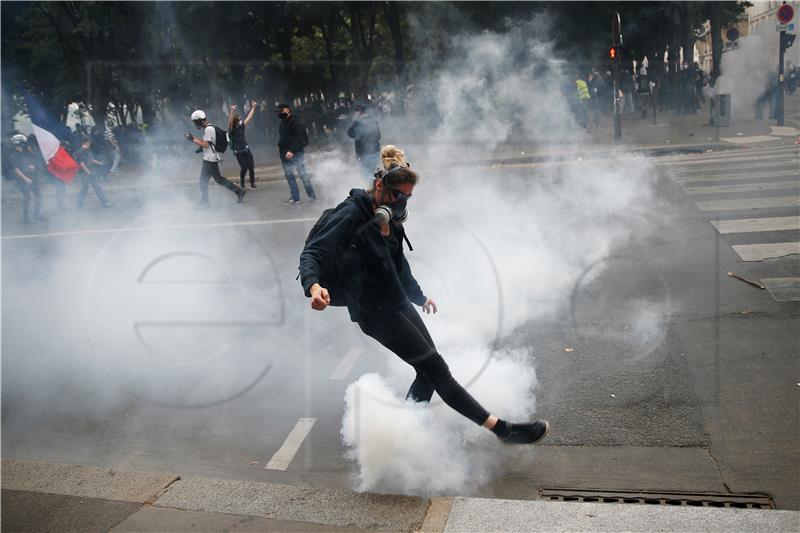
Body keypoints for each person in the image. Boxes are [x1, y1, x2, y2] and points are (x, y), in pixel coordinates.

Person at [298, 145, 550, 445]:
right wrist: (314, 287)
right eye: (397, 195)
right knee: (436, 369)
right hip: (375, 312)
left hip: (397, 303)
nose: (402, 202)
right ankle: (503, 430)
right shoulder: (353, 213)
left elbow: (397, 264)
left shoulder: (386, 218)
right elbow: (313, 253)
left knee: (427, 373)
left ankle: (405, 435)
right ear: (379, 186)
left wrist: (418, 297)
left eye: (407, 197)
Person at [186, 109, 246, 208]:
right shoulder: (209, 128)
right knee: (219, 180)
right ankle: (239, 191)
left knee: (203, 181)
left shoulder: (208, 129)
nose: (196, 124)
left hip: (209, 159)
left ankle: (205, 203)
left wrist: (193, 139)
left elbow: (206, 144)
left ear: (200, 120)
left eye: (196, 122)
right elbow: (209, 143)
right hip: (211, 158)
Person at [277, 103, 317, 205]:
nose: (280, 113)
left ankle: (312, 196)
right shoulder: (283, 122)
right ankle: (295, 198)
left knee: (302, 174)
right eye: (279, 111)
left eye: (282, 111)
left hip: (295, 153)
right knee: (289, 175)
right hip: (284, 153)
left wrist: (291, 150)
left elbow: (299, 137)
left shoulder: (295, 121)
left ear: (288, 110)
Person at [7, 133, 45, 223]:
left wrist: (30, 167)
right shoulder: (14, 155)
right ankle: (26, 219)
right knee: (27, 198)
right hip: (23, 180)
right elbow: (16, 169)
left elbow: (23, 164)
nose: (24, 145)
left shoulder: (22, 153)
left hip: (30, 178)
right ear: (19, 143)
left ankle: (37, 215)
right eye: (23, 143)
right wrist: (25, 179)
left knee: (39, 195)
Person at [75, 136, 112, 210]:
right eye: (90, 142)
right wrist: (88, 173)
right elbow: (82, 164)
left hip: (91, 171)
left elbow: (91, 159)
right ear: (87, 142)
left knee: (97, 187)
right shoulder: (80, 152)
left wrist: (100, 163)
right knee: (84, 189)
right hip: (85, 173)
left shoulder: (88, 150)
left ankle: (105, 203)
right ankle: (80, 205)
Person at [347, 104, 381, 180]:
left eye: (355, 113)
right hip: (376, 152)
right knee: (373, 174)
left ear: (359, 113)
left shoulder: (358, 123)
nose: (354, 115)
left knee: (367, 177)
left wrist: (356, 121)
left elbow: (349, 133)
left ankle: (374, 190)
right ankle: (377, 189)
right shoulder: (373, 120)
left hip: (364, 154)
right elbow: (378, 136)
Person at [228, 101, 258, 190]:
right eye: (239, 119)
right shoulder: (232, 129)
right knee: (244, 168)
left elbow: (249, 117)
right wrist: (232, 111)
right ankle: (242, 183)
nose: (241, 120)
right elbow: (229, 122)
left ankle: (252, 184)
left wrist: (253, 108)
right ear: (236, 121)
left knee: (251, 167)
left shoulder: (242, 126)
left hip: (246, 148)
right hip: (238, 151)